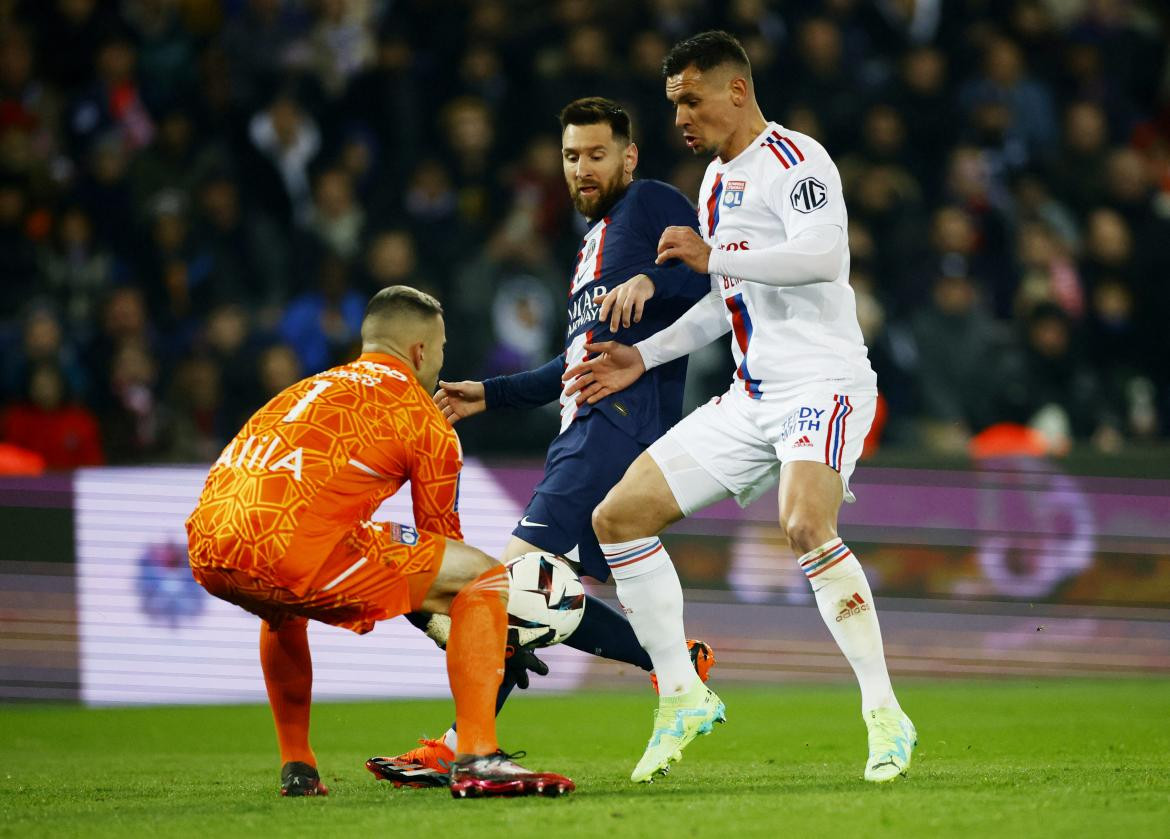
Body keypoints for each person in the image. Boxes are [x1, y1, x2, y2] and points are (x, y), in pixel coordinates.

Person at [564, 32, 916, 784]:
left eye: (691, 99)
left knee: (804, 523)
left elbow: (824, 257)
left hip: (823, 384)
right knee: (617, 517)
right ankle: (682, 694)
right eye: (673, 104)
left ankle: (884, 713)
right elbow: (730, 305)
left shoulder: (797, 161)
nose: (681, 118)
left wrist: (712, 255)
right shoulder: (715, 186)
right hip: (750, 395)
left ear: (734, 90)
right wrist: (644, 356)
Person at [366, 98, 715, 789]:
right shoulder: (591, 243)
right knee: (519, 597)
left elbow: (716, 278)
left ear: (628, 156)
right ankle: (675, 662)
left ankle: (463, 743)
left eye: (595, 154)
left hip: (618, 424)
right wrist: (488, 393)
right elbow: (574, 362)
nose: (582, 169)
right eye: (570, 156)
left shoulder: (648, 204)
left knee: (499, 588)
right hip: (580, 429)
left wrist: (653, 277)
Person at [185, 286, 573, 799]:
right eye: (440, 350)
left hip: (209, 543)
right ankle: (478, 755)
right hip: (289, 546)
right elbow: (444, 558)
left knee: (283, 609)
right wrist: (485, 633)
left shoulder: (303, 389)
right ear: (418, 351)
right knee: (483, 577)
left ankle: (297, 766)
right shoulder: (423, 416)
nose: (439, 362)